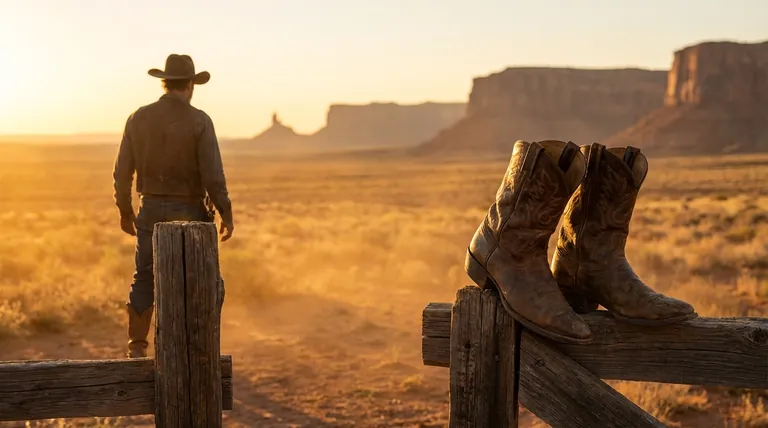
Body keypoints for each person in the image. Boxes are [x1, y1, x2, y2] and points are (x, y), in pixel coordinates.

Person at [112, 54, 235, 358]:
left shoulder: (137, 118)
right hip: (192, 210)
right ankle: (200, 345)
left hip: (150, 207)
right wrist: (226, 212)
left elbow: (122, 170)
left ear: (165, 82)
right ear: (191, 85)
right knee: (203, 276)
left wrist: (125, 211)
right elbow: (212, 174)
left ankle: (137, 347)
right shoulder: (200, 120)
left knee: (144, 276)